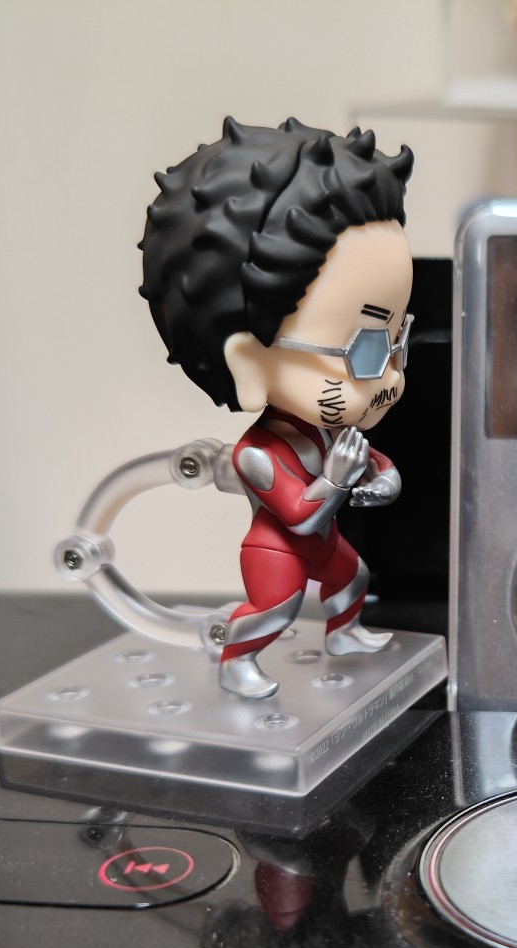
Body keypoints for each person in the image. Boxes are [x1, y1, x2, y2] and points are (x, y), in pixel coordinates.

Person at [140, 118, 414, 699]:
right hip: (278, 551)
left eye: (398, 343)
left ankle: (345, 634)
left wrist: (380, 480)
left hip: (324, 541)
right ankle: (237, 661)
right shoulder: (256, 454)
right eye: (366, 350)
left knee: (353, 578)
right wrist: (338, 480)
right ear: (251, 365)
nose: (390, 375)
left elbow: (378, 467)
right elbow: (300, 517)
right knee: (276, 608)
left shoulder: (328, 427)